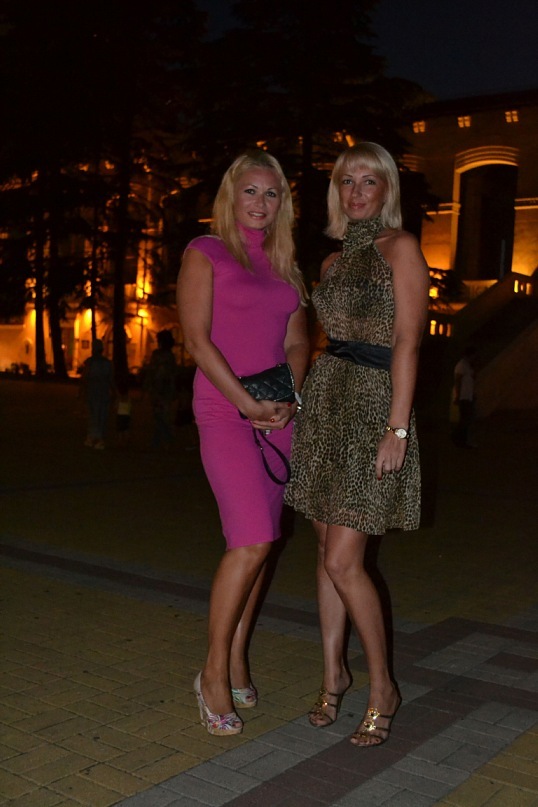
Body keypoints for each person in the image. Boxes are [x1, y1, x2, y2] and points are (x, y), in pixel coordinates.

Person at [285, 143, 430, 747]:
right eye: (348, 181)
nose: (357, 191)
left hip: (375, 405)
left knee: (346, 560)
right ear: (336, 191)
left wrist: (397, 428)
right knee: (326, 552)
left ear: (387, 188)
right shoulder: (331, 261)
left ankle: (383, 687)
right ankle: (333, 674)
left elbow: (408, 342)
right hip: (327, 401)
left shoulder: (402, 248)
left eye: (370, 181)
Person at [176, 150, 309, 736]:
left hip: (278, 413)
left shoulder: (286, 265)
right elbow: (197, 340)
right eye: (250, 191)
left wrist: (286, 399)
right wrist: (246, 404)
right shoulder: (205, 251)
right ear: (231, 195)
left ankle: (234, 659)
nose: (260, 202)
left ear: (283, 203)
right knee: (251, 540)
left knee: (263, 543)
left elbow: (298, 343)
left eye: (271, 193)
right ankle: (210, 674)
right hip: (224, 410)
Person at [144, 329, 179, 449]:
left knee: (160, 415)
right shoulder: (170, 356)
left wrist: (147, 386)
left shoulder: (158, 355)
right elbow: (173, 374)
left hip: (159, 389)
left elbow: (152, 372)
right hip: (165, 389)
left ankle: (164, 440)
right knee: (162, 415)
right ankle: (160, 441)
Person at [80, 338, 115, 449]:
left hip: (93, 392)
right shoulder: (107, 363)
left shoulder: (90, 362)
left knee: (92, 415)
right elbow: (111, 379)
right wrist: (113, 392)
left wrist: (82, 391)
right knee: (102, 415)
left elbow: (85, 378)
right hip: (103, 392)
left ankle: (92, 437)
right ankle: (99, 438)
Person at [452, 344, 477, 448]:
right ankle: (460, 439)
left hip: (467, 396)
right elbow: (458, 381)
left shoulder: (467, 365)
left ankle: (461, 439)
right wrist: (458, 396)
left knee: (466, 419)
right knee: (465, 419)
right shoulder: (461, 365)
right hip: (464, 397)